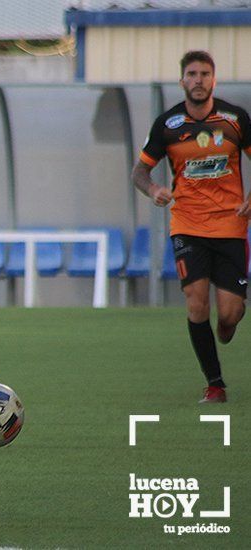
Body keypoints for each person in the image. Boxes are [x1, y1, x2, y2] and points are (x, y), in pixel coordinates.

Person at [131, 50, 251, 404]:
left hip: (230, 226)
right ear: (182, 80)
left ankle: (226, 325)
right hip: (187, 225)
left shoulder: (235, 120)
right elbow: (140, 171)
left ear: (214, 80)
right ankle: (215, 384)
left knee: (230, 313)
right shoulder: (167, 126)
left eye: (204, 74)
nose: (198, 80)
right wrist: (154, 189)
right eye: (192, 74)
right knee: (196, 304)